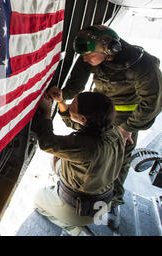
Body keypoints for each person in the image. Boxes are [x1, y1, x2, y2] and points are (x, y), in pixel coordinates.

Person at [47, 25, 162, 230]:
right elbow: (76, 84)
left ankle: (112, 203)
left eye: (89, 56)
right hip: (94, 114)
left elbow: (153, 104)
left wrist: (128, 128)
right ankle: (72, 190)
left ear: (109, 48)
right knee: (83, 155)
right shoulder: (92, 55)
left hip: (124, 122)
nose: (84, 60)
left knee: (118, 162)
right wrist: (61, 95)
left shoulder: (144, 66)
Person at [32, 92, 124, 236]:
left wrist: (47, 112)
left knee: (37, 200)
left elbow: (46, 143)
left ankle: (73, 228)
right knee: (57, 161)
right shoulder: (114, 130)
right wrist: (61, 102)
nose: (69, 107)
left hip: (78, 209)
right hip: (104, 202)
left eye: (72, 106)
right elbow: (75, 122)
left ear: (83, 118)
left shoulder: (86, 147)